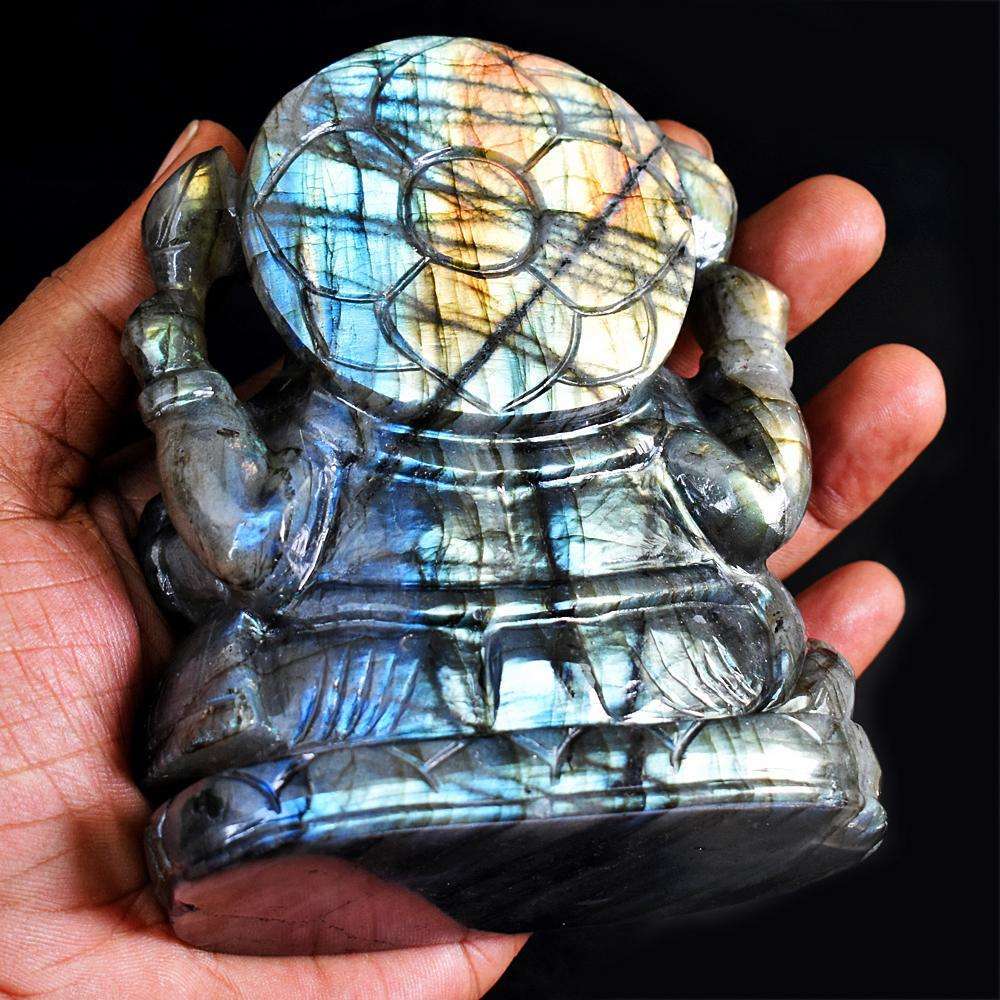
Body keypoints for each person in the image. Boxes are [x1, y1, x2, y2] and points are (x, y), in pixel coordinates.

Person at [0, 118, 945, 998]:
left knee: (739, 667)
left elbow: (761, 509)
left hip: (650, 665)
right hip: (373, 683)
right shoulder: (335, 407)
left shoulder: (639, 401)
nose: (488, 267)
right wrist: (179, 359)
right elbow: (246, 542)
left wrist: (746, 350)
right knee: (278, 702)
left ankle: (416, 797)